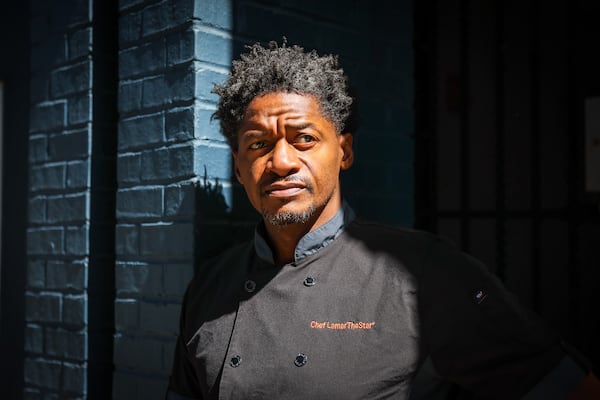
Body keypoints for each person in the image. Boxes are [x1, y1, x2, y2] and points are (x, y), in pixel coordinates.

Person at [166, 41, 600, 399]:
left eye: (304, 139)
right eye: (258, 144)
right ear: (239, 169)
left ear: (345, 152)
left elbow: (570, 390)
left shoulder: (425, 271)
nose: (280, 161)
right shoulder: (209, 286)